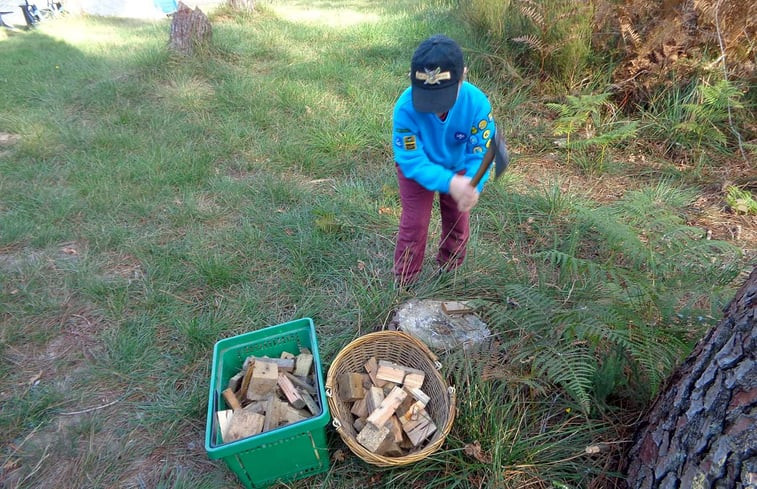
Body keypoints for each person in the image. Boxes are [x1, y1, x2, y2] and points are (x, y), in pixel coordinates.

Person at [392, 34, 495, 286]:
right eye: (428, 98)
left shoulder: (477, 104)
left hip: (460, 169)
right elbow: (412, 160)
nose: (436, 108)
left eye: (444, 97)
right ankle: (405, 281)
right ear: (411, 79)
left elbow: (483, 151)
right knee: (414, 224)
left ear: (464, 76)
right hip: (418, 172)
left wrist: (472, 183)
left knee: (458, 222)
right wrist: (450, 183)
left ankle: (450, 271)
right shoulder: (405, 109)